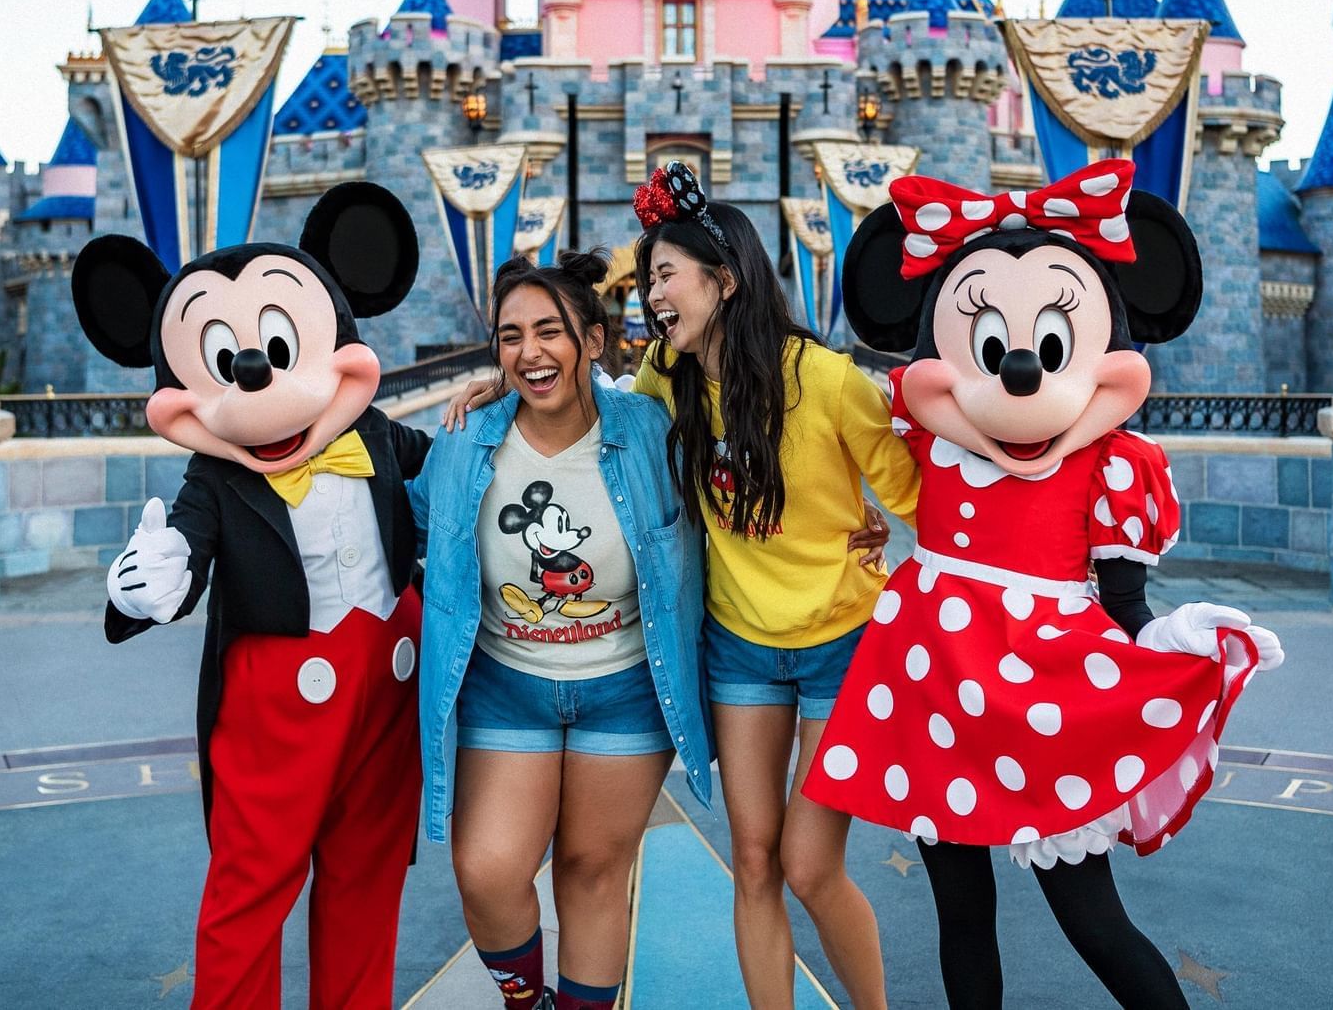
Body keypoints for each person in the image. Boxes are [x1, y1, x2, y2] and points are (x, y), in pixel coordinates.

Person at [804, 160, 1285, 1009]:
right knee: (960, 911)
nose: (1020, 371)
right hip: (938, 686)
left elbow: (1127, 604)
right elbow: (809, 402)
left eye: (1046, 347)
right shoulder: (926, 439)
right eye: (992, 348)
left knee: (1089, 915)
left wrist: (1173, 644)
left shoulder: (1111, 462)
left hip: (1045, 700)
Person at [447, 162, 913, 1007]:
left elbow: (926, 495)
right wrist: (499, 388)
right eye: (649, 274)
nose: (652, 292)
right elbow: (599, 405)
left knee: (810, 866)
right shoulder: (668, 378)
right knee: (753, 861)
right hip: (737, 651)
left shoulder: (832, 382)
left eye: (665, 273)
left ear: (724, 280)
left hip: (838, 646)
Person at [70, 182, 429, 1009]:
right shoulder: (213, 476)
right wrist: (145, 585)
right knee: (248, 891)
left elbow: (454, 475)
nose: (260, 374)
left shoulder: (374, 435)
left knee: (365, 880)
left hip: (387, 690)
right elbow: (183, 551)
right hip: (275, 710)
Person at [411, 250, 712, 1010]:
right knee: (486, 868)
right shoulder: (464, 438)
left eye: (549, 331)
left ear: (595, 339)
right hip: (505, 688)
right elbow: (398, 513)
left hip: (625, 690)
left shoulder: (653, 430)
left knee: (590, 869)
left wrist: (855, 519)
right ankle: (525, 1001)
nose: (528, 352)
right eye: (510, 337)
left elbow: (749, 459)